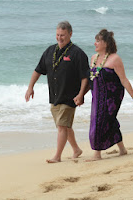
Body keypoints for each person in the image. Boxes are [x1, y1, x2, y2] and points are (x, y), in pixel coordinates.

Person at [25, 21, 89, 163]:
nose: (60, 38)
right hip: (54, 96)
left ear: (70, 34)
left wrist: (80, 94)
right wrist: (30, 87)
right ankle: (76, 149)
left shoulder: (77, 53)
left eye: (63, 35)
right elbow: (38, 70)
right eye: (57, 35)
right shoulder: (50, 51)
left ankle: (57, 156)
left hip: (70, 97)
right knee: (65, 126)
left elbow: (86, 77)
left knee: (61, 126)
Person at [87, 29, 133, 161]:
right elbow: (91, 79)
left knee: (100, 121)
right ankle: (122, 149)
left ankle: (97, 154)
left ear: (105, 43)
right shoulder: (93, 59)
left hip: (112, 97)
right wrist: (80, 95)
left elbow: (124, 79)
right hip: (97, 95)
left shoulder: (115, 59)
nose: (95, 43)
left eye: (98, 41)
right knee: (108, 121)